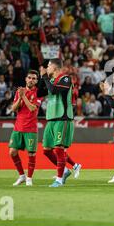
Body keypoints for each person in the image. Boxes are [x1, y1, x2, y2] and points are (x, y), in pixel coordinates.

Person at [37, 59, 81, 187]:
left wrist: (45, 77)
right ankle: (65, 170)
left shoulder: (66, 79)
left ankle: (59, 179)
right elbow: (39, 93)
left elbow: (55, 90)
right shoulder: (50, 80)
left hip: (62, 118)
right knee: (46, 150)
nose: (47, 67)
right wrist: (42, 78)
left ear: (55, 68)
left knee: (59, 149)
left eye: (49, 65)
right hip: (51, 118)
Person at [10, 70, 42, 186]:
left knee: (31, 154)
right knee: (12, 152)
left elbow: (33, 108)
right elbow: (13, 108)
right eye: (29, 78)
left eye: (34, 78)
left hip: (31, 128)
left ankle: (29, 178)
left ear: (36, 81)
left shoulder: (38, 92)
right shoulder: (19, 92)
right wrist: (20, 97)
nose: (31, 80)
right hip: (18, 127)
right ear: (25, 79)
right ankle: (22, 176)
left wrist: (23, 96)